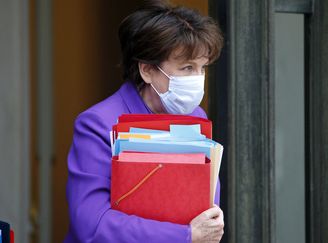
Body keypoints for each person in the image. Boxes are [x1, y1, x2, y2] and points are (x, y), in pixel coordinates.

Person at [64, 1, 224, 242]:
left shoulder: (197, 118)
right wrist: (185, 236)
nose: (198, 79)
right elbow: (91, 225)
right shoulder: (97, 124)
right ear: (147, 70)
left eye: (203, 68)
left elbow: (207, 206)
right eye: (187, 67)